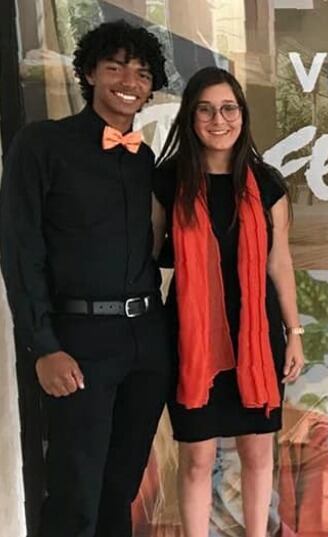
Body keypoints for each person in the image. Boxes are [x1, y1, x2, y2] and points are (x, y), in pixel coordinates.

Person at [0, 20, 171, 537]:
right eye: (115, 67)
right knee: (75, 493)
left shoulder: (143, 157)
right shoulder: (42, 144)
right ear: (90, 73)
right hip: (79, 342)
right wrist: (43, 346)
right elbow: (20, 250)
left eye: (142, 73)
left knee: (121, 489)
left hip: (146, 341)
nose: (129, 81)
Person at [154, 67, 305, 537]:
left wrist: (295, 333)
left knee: (257, 452)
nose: (218, 120)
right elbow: (145, 259)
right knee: (197, 457)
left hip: (257, 335)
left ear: (242, 114)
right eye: (205, 110)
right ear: (190, 117)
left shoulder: (267, 184)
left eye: (228, 109)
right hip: (191, 337)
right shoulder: (167, 182)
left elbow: (280, 263)